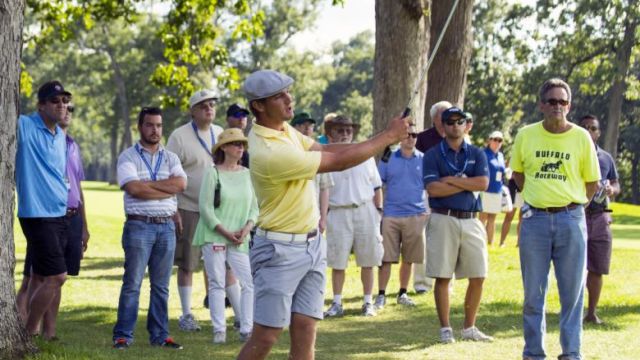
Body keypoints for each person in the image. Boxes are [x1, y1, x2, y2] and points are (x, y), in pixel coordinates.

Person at [236, 69, 410, 360]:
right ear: (259, 106)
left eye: (288, 91)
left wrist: (382, 138)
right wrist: (389, 136)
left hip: (312, 245)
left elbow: (328, 148)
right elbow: (337, 161)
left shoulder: (284, 131)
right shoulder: (268, 149)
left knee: (306, 329)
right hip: (280, 251)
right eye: (279, 96)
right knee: (266, 336)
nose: (289, 99)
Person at [511, 78, 600, 360]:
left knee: (572, 294)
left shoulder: (581, 137)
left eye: (563, 102)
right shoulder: (526, 134)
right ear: (542, 105)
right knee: (533, 296)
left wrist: (570, 205)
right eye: (552, 101)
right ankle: (534, 353)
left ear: (569, 105)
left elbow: (592, 182)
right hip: (535, 221)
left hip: (571, 219)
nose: (558, 106)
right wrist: (540, 200)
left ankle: (571, 353)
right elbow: (518, 174)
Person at [112, 107, 186, 349]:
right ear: (140, 127)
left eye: (158, 125)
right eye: (150, 125)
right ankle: (123, 335)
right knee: (133, 283)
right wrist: (165, 187)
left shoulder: (171, 157)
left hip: (166, 227)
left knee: (161, 286)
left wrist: (149, 185)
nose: (155, 130)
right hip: (138, 225)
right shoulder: (128, 157)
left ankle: (160, 336)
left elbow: (181, 184)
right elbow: (134, 189)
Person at [166, 90, 236, 332]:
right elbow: (170, 173)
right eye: (203, 105)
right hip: (189, 207)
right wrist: (173, 208)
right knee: (188, 263)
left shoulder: (220, 133)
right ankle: (186, 315)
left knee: (227, 264)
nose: (209, 108)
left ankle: (238, 315)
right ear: (192, 110)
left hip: (219, 211)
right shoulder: (179, 136)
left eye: (212, 105)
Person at [422, 106, 493, 344]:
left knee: (479, 274)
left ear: (466, 124)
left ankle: (469, 327)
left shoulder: (477, 153)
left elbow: (483, 182)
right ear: (442, 126)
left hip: (471, 218)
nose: (455, 126)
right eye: (450, 122)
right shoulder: (432, 154)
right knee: (442, 276)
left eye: (459, 121)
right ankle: (445, 329)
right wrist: (465, 182)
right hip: (443, 217)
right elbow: (433, 188)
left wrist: (451, 180)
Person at [15, 81, 72, 339]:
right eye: (54, 100)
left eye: (64, 100)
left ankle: (39, 333)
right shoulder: (24, 126)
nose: (61, 105)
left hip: (59, 213)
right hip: (37, 214)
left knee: (38, 276)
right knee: (57, 276)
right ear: (40, 105)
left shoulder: (60, 135)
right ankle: (28, 333)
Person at [193, 128, 258, 344]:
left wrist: (246, 229)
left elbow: (255, 209)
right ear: (224, 148)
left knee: (248, 283)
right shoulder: (213, 173)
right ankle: (219, 330)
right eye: (236, 144)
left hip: (240, 238)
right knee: (217, 283)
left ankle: (246, 329)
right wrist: (225, 232)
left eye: (242, 144)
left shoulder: (248, 174)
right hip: (215, 236)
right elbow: (205, 208)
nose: (241, 147)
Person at [323, 115, 384, 318]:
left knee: (369, 258)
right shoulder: (326, 156)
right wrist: (322, 216)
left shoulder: (364, 154)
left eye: (348, 130)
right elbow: (322, 189)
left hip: (365, 208)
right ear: (331, 133)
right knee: (337, 260)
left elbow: (376, 185)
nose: (345, 134)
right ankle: (337, 302)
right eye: (340, 130)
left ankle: (368, 302)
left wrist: (379, 210)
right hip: (338, 211)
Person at [375, 125, 427, 310]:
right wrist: (379, 209)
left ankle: (402, 292)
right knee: (386, 258)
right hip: (391, 215)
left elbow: (431, 185)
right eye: (407, 135)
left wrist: (426, 210)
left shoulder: (424, 159)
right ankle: (381, 295)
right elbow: (377, 183)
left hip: (415, 215)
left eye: (414, 135)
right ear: (401, 137)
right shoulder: (389, 158)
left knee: (409, 258)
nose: (411, 138)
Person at [579, 114, 620, 325]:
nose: (588, 131)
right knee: (575, 266)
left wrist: (611, 189)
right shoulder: (573, 155)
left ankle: (591, 312)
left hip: (601, 217)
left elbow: (616, 183)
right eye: (584, 127)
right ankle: (573, 311)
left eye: (592, 128)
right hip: (578, 215)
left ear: (598, 132)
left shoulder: (606, 158)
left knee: (597, 267)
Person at [414, 100, 451, 294]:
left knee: (447, 239)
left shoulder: (456, 137)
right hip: (426, 193)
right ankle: (421, 283)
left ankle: (446, 283)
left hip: (451, 193)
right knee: (423, 239)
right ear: (435, 118)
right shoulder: (422, 139)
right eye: (444, 115)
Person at [291, 111, 334, 234]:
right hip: (290, 216)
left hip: (313, 217)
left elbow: (324, 188)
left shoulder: (319, 153)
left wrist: (324, 218)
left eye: (310, 125)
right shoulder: (286, 151)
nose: (306, 128)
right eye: (302, 125)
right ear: (293, 128)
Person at [479, 131, 506, 246]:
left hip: (497, 190)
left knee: (492, 218)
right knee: (483, 218)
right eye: (495, 139)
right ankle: (480, 241)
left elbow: (502, 172)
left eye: (500, 140)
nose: (497, 142)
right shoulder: (484, 154)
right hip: (486, 190)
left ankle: (490, 242)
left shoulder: (500, 155)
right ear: (489, 140)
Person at [226, 103, 251, 167]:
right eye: (237, 115)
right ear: (227, 119)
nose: (241, 118)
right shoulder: (224, 144)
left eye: (244, 115)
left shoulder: (252, 139)